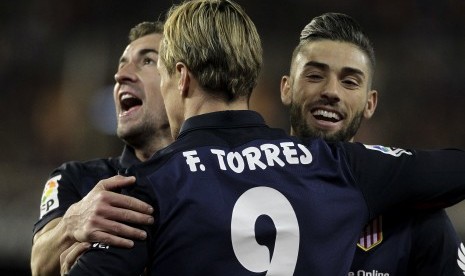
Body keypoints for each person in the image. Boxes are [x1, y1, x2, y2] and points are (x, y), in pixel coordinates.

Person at [67, 0, 465, 275]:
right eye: (315, 74)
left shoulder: (150, 187)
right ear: (266, 81)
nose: (331, 91)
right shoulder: (338, 164)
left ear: (182, 78)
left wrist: (72, 232)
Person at [280, 12, 463, 275]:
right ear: (286, 88)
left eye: (350, 82)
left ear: (370, 103)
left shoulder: (412, 216)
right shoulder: (246, 187)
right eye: (315, 76)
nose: (331, 91)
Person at [31, 21, 173, 276]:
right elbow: (39, 265)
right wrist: (70, 224)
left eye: (148, 61)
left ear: (180, 80)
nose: (121, 75)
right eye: (122, 63)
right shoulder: (76, 178)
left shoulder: (206, 177)